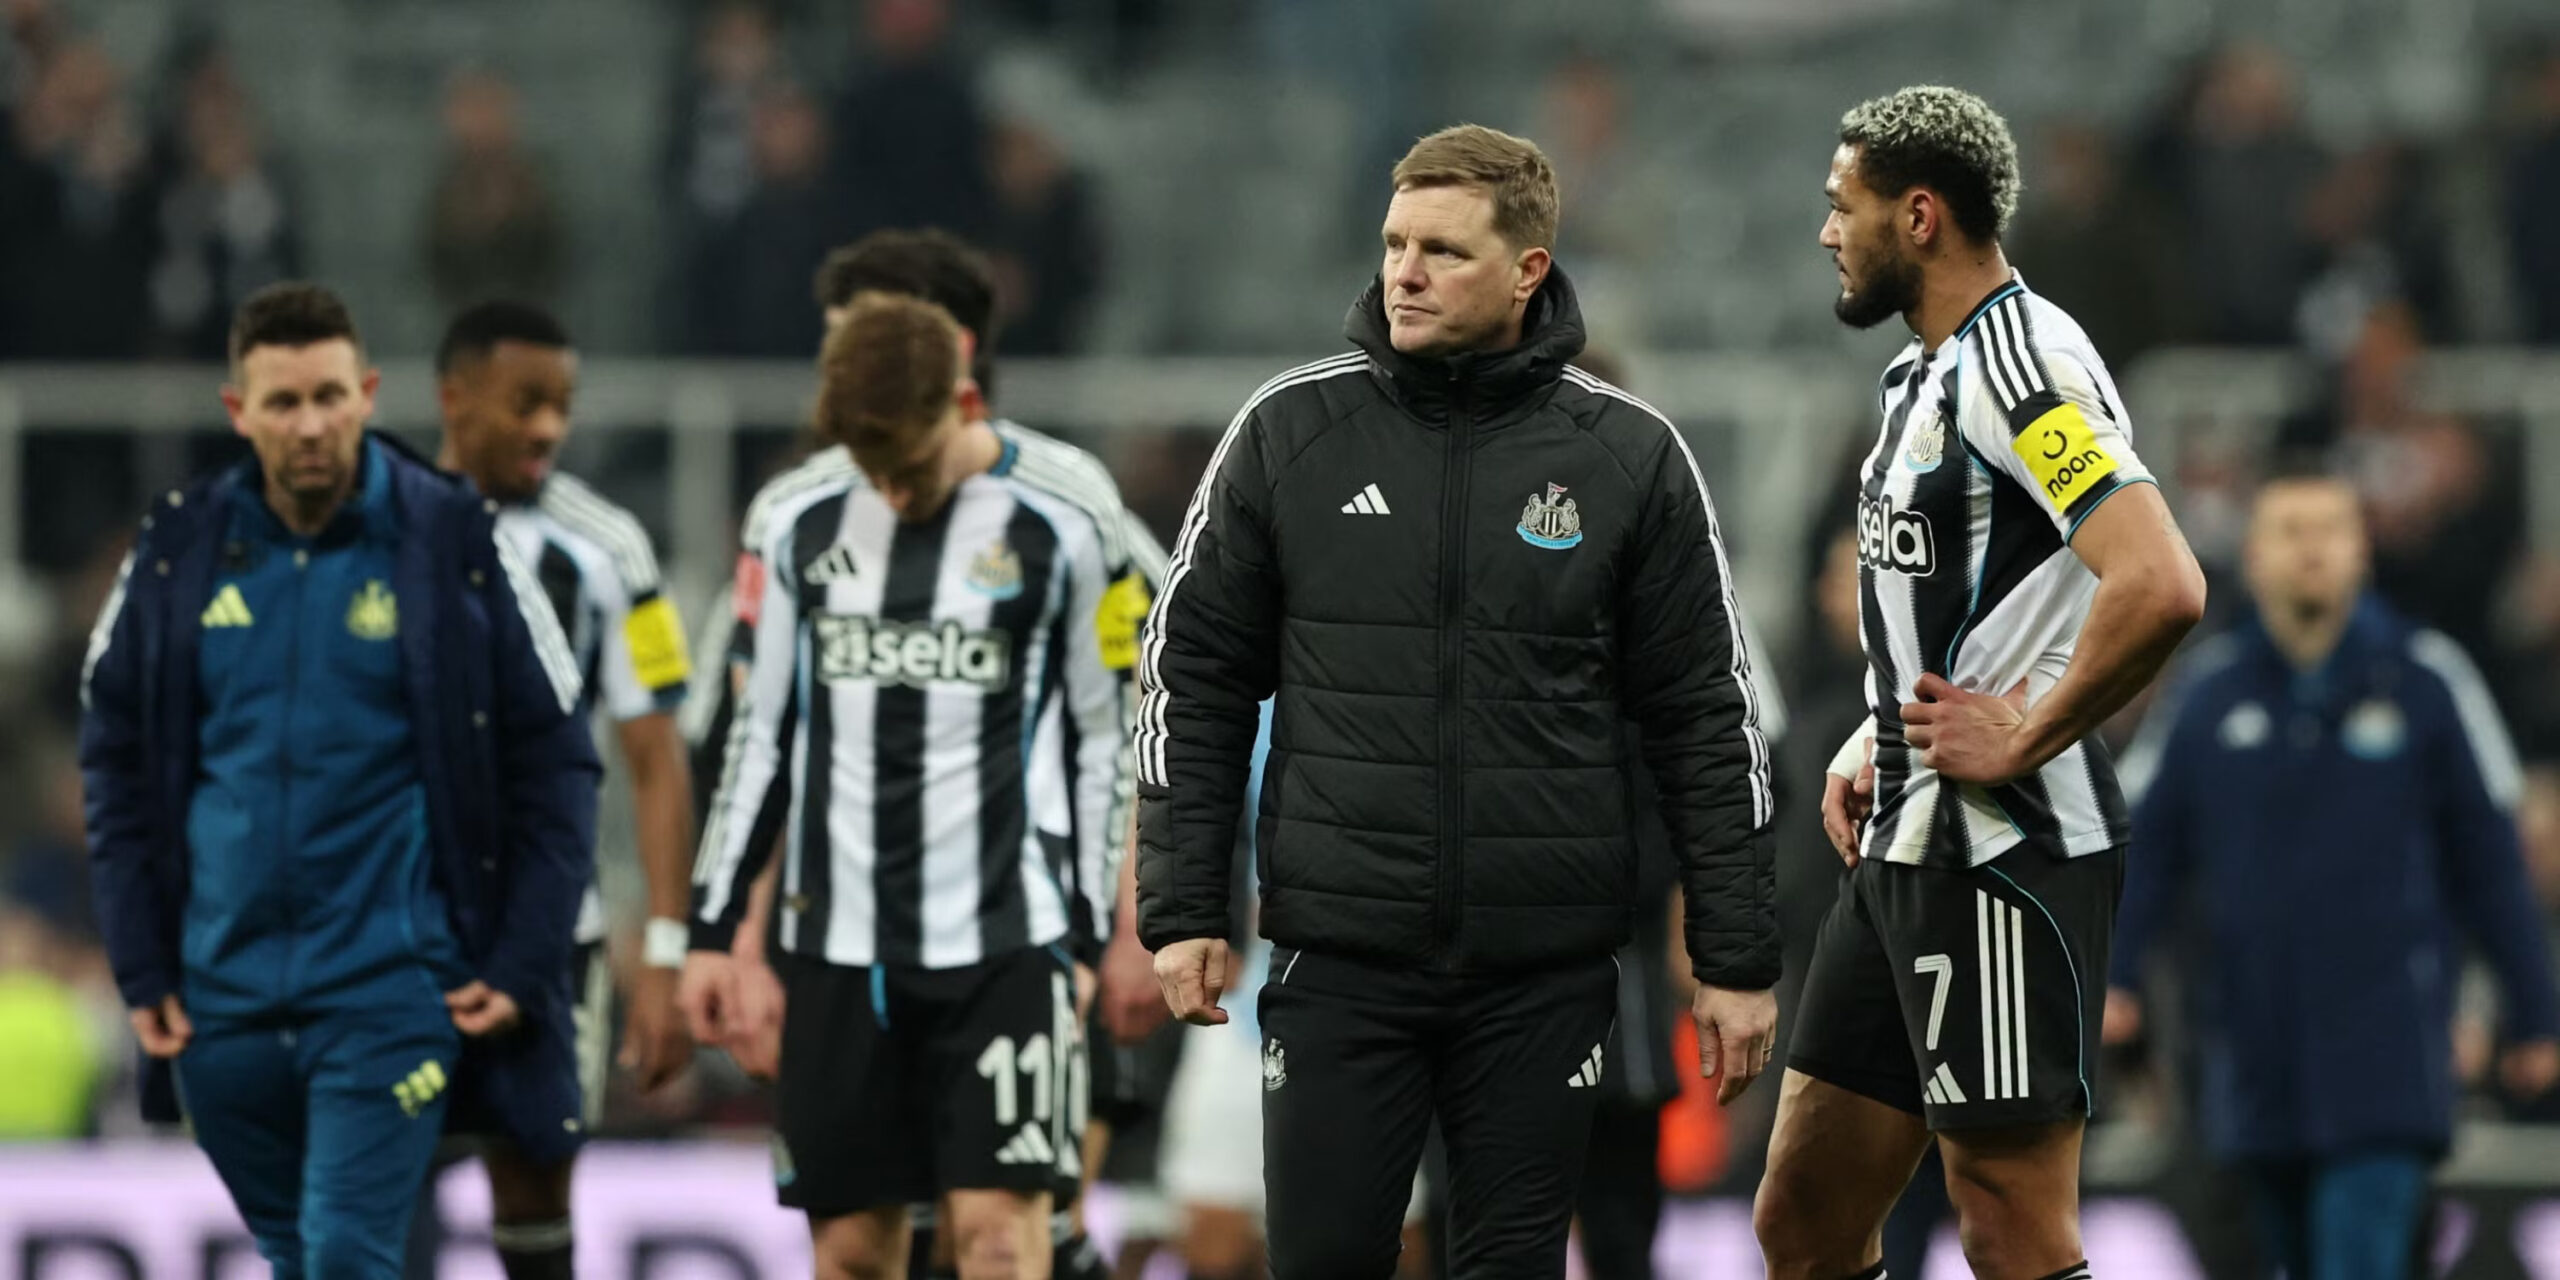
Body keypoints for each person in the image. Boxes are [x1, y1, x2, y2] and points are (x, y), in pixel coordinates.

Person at [1135, 123, 1779, 1280]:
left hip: (1542, 972)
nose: (1404, 272)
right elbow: (1193, 676)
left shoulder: (1627, 456)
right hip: (1338, 961)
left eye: (1441, 249)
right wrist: (1183, 905)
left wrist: (1732, 956)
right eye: (1393, 243)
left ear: (1528, 269)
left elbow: (1702, 716)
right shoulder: (1289, 433)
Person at [1759, 86, 2208, 1280]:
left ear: (1916, 215)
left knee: (2007, 1218)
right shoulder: (1919, 378)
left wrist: (2031, 733)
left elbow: (2159, 579)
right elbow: (1964, 601)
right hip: (1901, 841)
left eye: (1838, 206)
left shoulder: (2021, 364)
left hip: (2002, 853)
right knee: (1801, 1213)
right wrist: (1876, 726)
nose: (1824, 233)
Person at [79, 282, 598, 1277]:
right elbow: (113, 752)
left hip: (388, 988)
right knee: (304, 1257)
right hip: (220, 998)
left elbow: (561, 755)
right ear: (239, 412)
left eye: (328, 396)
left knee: (347, 1258)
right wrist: (143, 957)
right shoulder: (177, 548)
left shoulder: (457, 541)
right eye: (282, 402)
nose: (310, 424)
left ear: (367, 393)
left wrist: (527, 950)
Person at [678, 226, 1161, 1280]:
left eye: (909, 463)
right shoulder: (792, 521)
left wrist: (1097, 928)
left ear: (966, 400)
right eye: (872, 467)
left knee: (1002, 1236)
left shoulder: (1068, 518)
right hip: (839, 948)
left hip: (1007, 938)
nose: (892, 492)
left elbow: (1108, 731)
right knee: (853, 1249)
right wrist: (714, 930)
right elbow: (755, 737)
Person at [2103, 468, 2560, 1279]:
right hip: (2249, 1052)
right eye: (2290, 530)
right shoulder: (2206, 698)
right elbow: (2147, 849)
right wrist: (2117, 976)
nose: (2311, 549)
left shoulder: (2428, 684)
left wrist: (2534, 1012)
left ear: (2362, 554)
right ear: (2252, 554)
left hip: (2388, 1052)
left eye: (2331, 531)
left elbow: (2490, 861)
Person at [423, 299, 698, 1279]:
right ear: (455, 397)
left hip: (551, 935)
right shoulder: (374, 527)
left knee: (536, 1178)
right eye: (524, 401)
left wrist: (665, 954)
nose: (547, 426)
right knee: (373, 1178)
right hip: (395, 924)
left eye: (562, 405)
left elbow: (658, 757)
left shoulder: (605, 545)